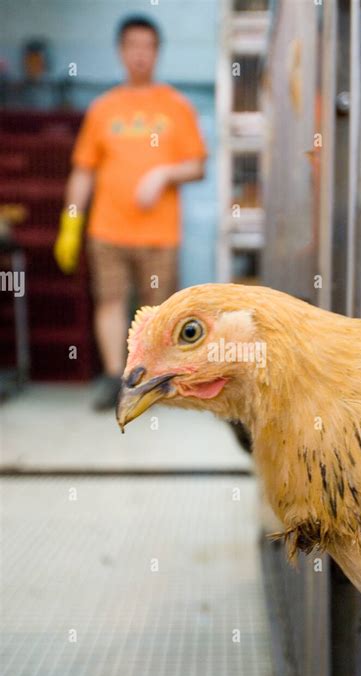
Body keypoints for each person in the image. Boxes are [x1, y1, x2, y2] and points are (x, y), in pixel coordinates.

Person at [54, 15, 207, 410]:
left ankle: (153, 383)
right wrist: (71, 223)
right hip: (107, 230)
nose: (140, 54)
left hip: (160, 234)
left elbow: (197, 165)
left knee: (160, 313)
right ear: (122, 52)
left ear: (157, 52)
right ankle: (114, 380)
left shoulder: (177, 106)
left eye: (148, 46)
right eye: (132, 46)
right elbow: (83, 171)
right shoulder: (103, 109)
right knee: (110, 302)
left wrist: (163, 173)